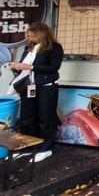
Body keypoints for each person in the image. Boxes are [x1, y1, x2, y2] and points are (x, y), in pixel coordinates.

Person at [9, 22, 64, 162]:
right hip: (28, 85)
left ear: (41, 34)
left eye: (32, 35)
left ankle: (46, 147)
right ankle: (27, 146)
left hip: (46, 85)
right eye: (29, 35)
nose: (29, 38)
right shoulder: (29, 47)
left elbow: (54, 67)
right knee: (27, 116)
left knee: (46, 116)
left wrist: (31, 67)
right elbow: (23, 65)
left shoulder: (55, 47)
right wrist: (17, 66)